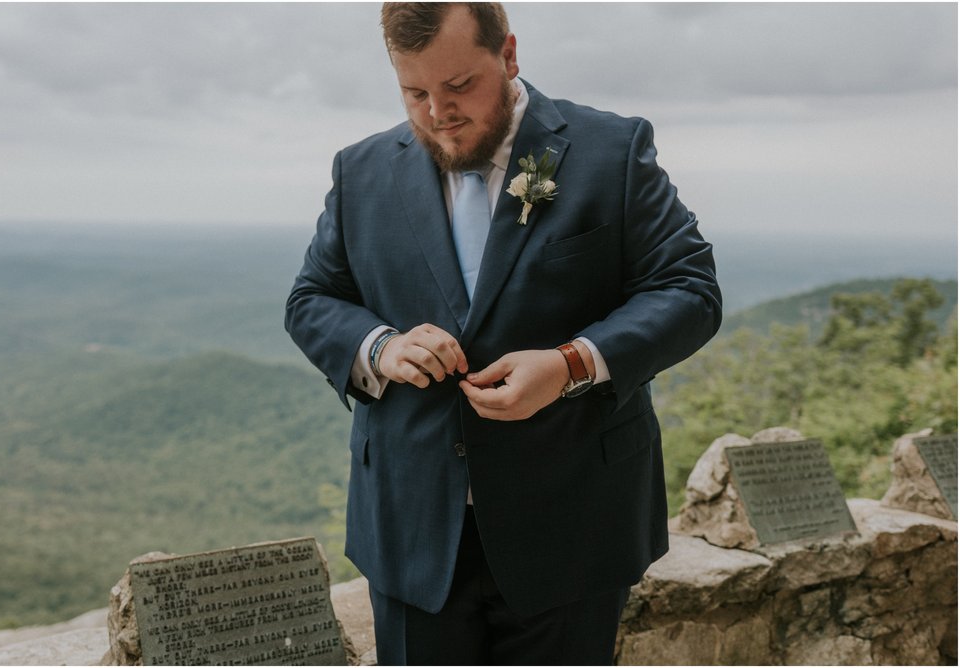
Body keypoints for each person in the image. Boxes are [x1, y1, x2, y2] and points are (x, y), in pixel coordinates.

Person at [285, 3, 722, 664]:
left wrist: (571, 364)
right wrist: (382, 346)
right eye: (415, 93)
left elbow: (689, 290)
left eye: (459, 87)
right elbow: (313, 300)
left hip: (572, 525)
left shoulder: (612, 152)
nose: (438, 113)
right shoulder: (361, 171)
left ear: (509, 56)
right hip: (411, 532)